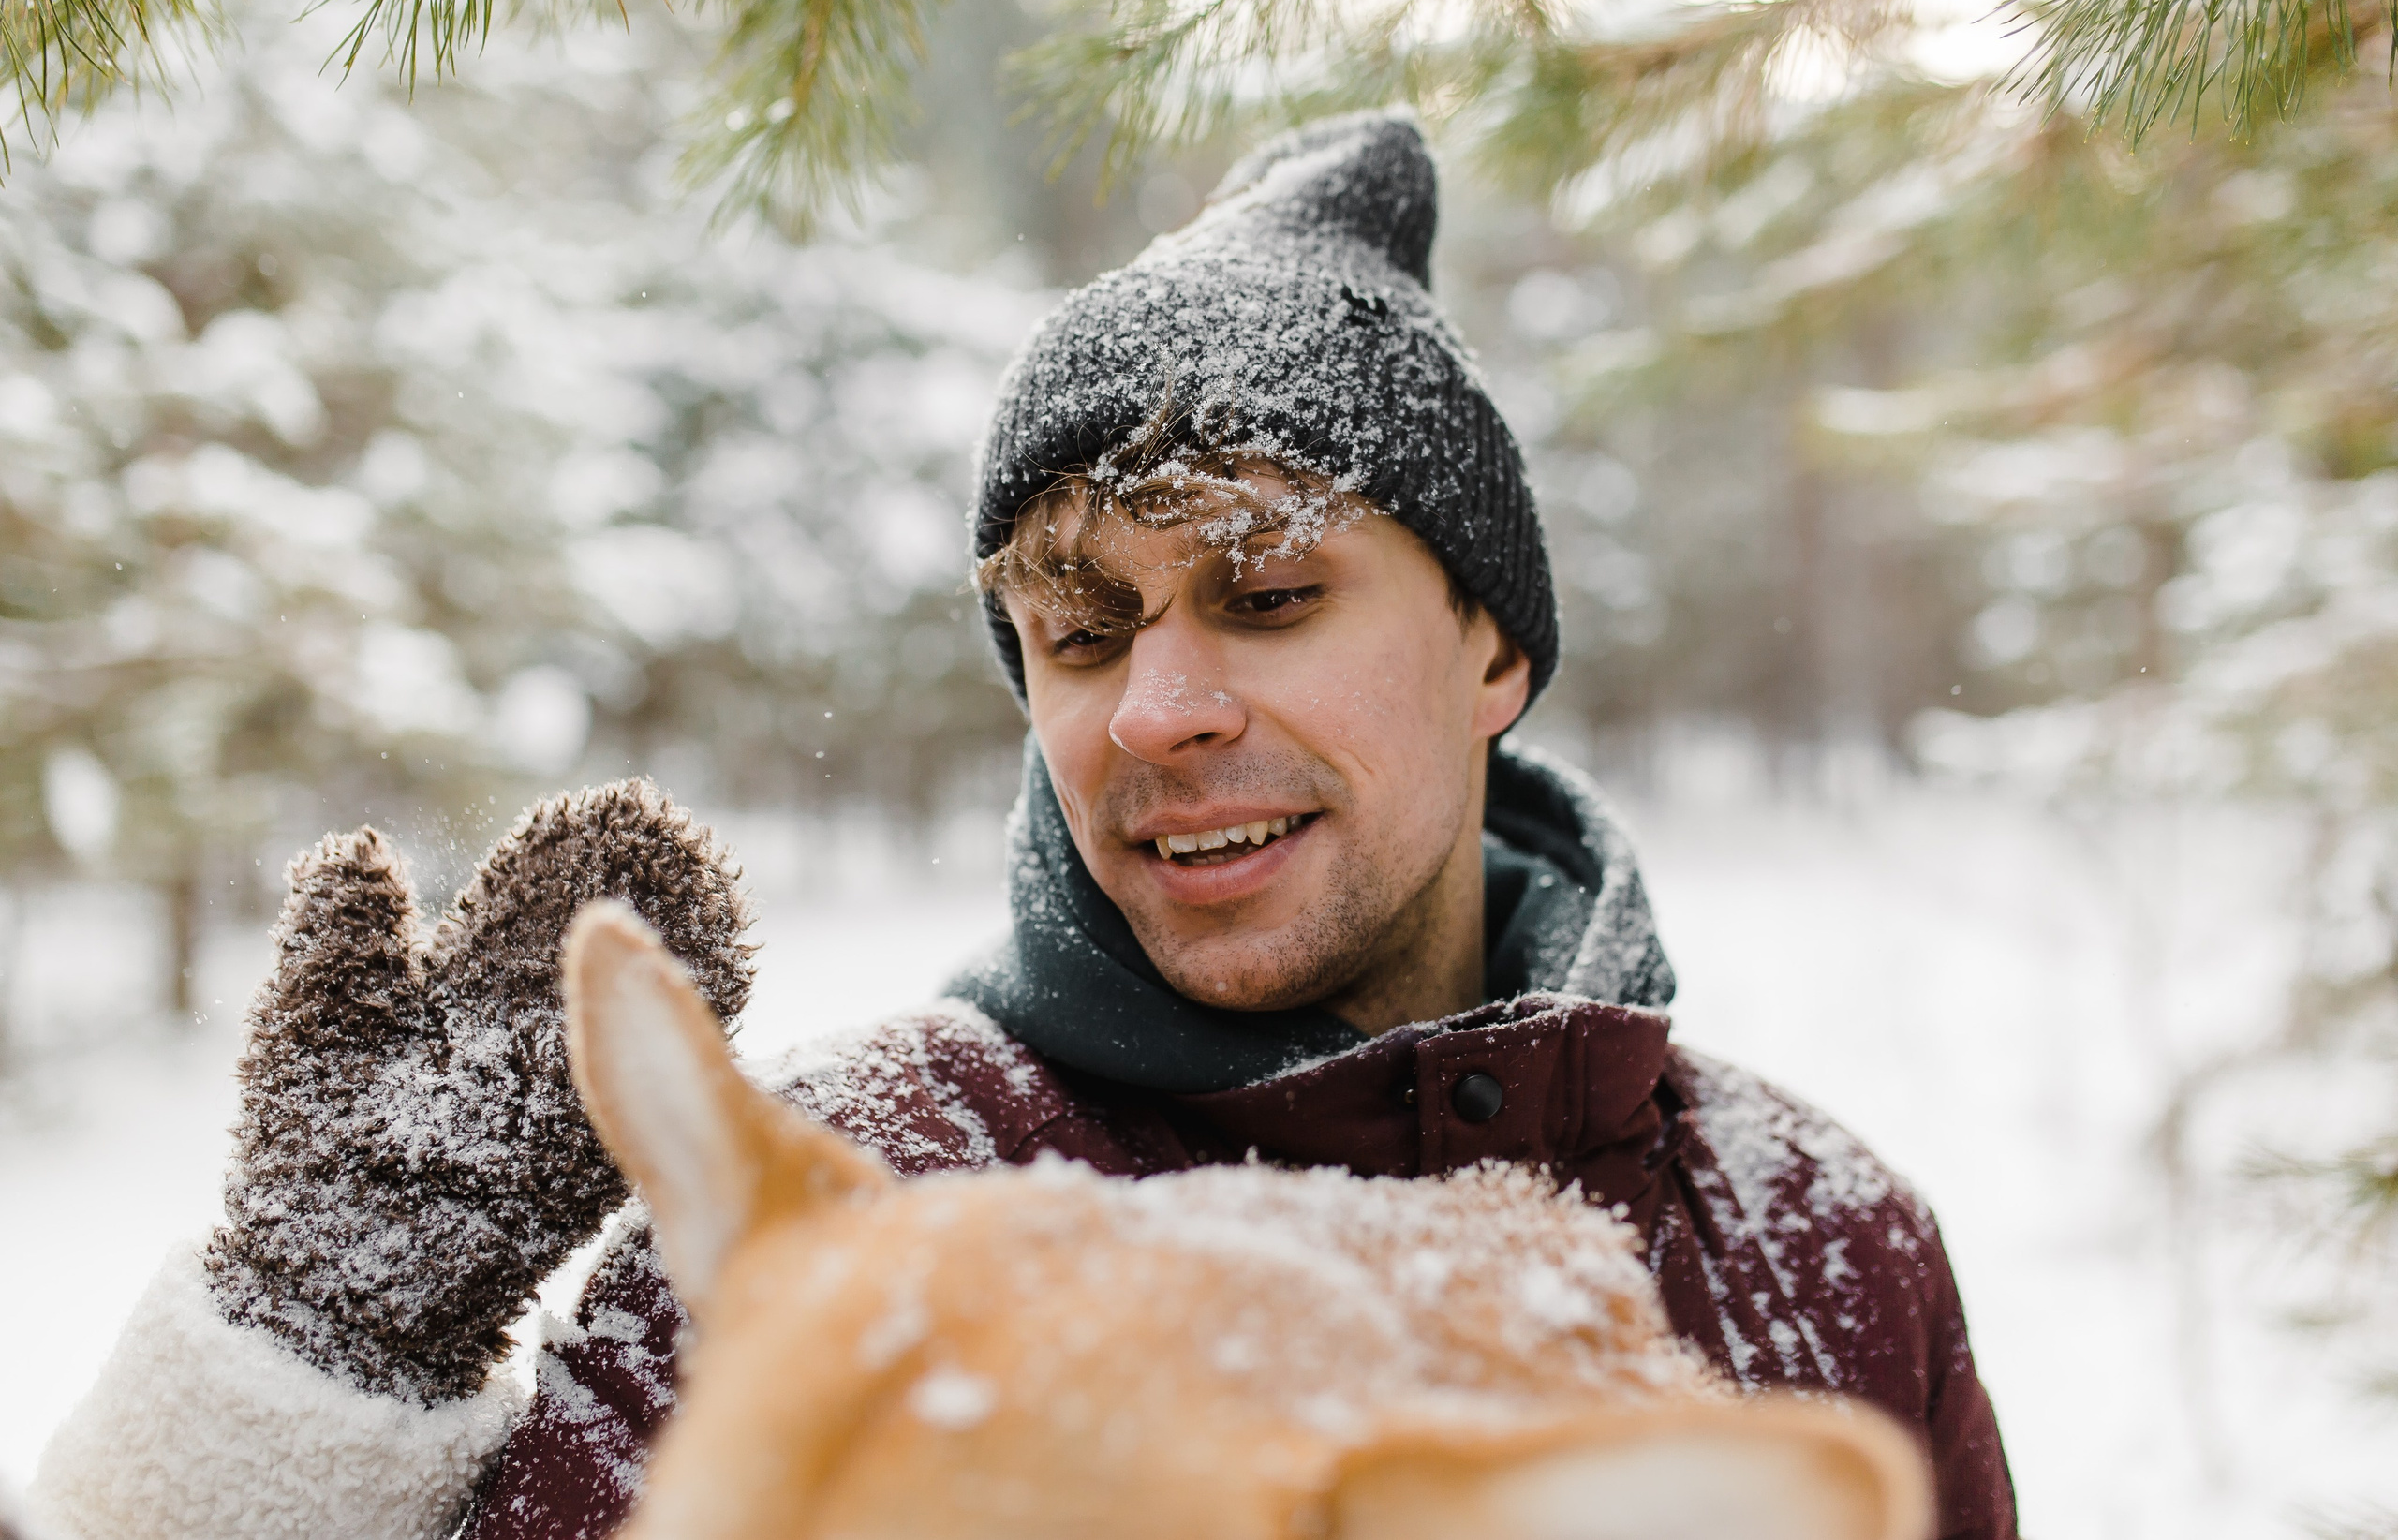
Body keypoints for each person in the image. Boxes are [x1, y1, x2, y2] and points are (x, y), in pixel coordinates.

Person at [24, 111, 2017, 1540]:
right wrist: (300, 1365)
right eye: (1079, 632)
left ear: (1493, 644)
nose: (1155, 706)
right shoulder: (852, 1210)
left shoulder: (1812, 1245)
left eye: (1265, 596)